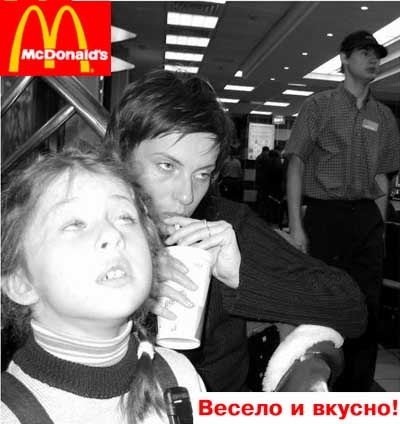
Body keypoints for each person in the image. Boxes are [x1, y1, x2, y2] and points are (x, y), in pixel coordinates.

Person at [105, 69, 368, 392]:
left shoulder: (223, 226)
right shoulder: (85, 229)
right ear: (121, 156)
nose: (186, 195)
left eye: (202, 174)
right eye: (167, 166)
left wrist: (240, 278)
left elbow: (351, 308)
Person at [1, 149, 204, 424]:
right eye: (74, 224)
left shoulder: (179, 378)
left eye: (125, 218)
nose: (113, 233)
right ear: (21, 283)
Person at [285, 30, 400, 391]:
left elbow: (381, 176)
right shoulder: (319, 106)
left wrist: (379, 227)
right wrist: (296, 226)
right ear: (344, 59)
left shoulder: (384, 116)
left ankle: (358, 390)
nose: (373, 59)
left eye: (377, 54)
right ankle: (318, 385)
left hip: (366, 217)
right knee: (323, 302)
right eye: (365, 52)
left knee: (366, 306)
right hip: (326, 216)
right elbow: (296, 163)